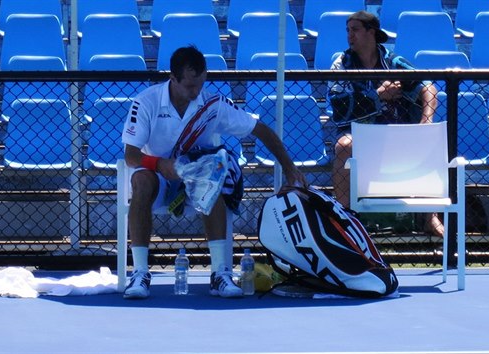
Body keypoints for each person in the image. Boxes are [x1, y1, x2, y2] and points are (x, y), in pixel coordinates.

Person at [121, 45, 307, 299]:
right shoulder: (145, 101)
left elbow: (260, 129)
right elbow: (131, 156)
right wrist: (161, 165)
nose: (196, 92)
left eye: (200, 84)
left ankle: (220, 274)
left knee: (214, 180)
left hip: (197, 178)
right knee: (140, 180)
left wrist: (289, 167)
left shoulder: (213, 105)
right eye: (189, 86)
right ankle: (140, 273)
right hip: (158, 177)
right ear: (172, 79)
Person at [327, 11, 444, 237]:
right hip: (358, 133)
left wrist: (426, 121)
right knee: (343, 146)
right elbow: (339, 106)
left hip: (395, 133)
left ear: (371, 32)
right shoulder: (341, 64)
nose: (349, 35)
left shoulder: (393, 62)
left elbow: (428, 86)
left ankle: (431, 217)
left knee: (431, 138)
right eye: (348, 30)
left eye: (355, 30)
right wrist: (378, 95)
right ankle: (344, 219)